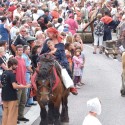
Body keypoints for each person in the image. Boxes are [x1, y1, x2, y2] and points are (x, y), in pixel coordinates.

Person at [41, 27, 78, 95]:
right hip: (49, 60)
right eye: (47, 33)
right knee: (39, 72)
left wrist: (61, 59)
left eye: (49, 33)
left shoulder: (60, 42)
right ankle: (35, 89)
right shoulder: (47, 41)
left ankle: (71, 86)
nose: (47, 34)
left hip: (60, 60)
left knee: (67, 70)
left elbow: (62, 54)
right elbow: (43, 52)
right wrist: (48, 54)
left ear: (54, 34)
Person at [1, 58, 31, 125]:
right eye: (16, 65)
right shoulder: (12, 74)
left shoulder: (4, 73)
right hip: (12, 97)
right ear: (12, 65)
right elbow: (14, 86)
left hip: (4, 96)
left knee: (6, 113)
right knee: (12, 115)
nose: (17, 66)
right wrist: (26, 86)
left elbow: (1, 84)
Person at [15, 45, 29, 122]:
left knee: (23, 100)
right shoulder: (14, 59)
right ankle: (15, 117)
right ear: (16, 51)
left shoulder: (23, 59)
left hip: (24, 83)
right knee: (17, 101)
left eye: (21, 50)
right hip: (18, 83)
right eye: (19, 50)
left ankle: (21, 116)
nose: (20, 51)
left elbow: (24, 71)